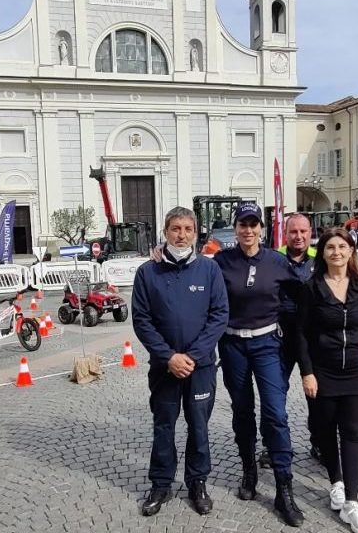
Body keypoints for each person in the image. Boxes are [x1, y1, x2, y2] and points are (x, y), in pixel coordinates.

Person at [132, 207, 229, 517]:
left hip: (200, 368)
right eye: (176, 228)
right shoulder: (148, 273)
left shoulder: (209, 270)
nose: (182, 235)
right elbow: (142, 320)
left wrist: (193, 356)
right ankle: (161, 484)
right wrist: (169, 356)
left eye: (188, 229)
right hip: (164, 368)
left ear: (196, 233)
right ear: (165, 231)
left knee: (198, 427)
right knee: (164, 426)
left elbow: (219, 316)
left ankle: (197, 482)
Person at [213, 202, 305, 527]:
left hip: (267, 344)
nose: (248, 230)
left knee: (275, 412)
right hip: (233, 345)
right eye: (243, 224)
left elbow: (306, 290)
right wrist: (158, 255)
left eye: (254, 224)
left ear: (262, 229)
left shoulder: (277, 262)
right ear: (235, 228)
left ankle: (284, 488)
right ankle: (249, 470)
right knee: (242, 411)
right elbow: (195, 278)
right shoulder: (221, 261)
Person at [295, 228, 358, 533]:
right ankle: (336, 482)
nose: (336, 252)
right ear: (323, 253)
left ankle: (352, 503)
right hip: (323, 371)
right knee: (325, 431)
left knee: (352, 432)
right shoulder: (312, 287)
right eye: (330, 247)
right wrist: (307, 372)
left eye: (342, 247)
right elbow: (300, 334)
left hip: (357, 369)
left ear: (351, 251)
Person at [273, 213, 319, 466]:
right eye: (293, 231)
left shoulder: (321, 260)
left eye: (303, 231)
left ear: (310, 233)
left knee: (317, 394)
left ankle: (319, 442)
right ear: (286, 234)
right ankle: (276, 445)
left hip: (313, 339)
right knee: (275, 395)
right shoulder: (274, 260)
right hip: (280, 338)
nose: (299, 236)